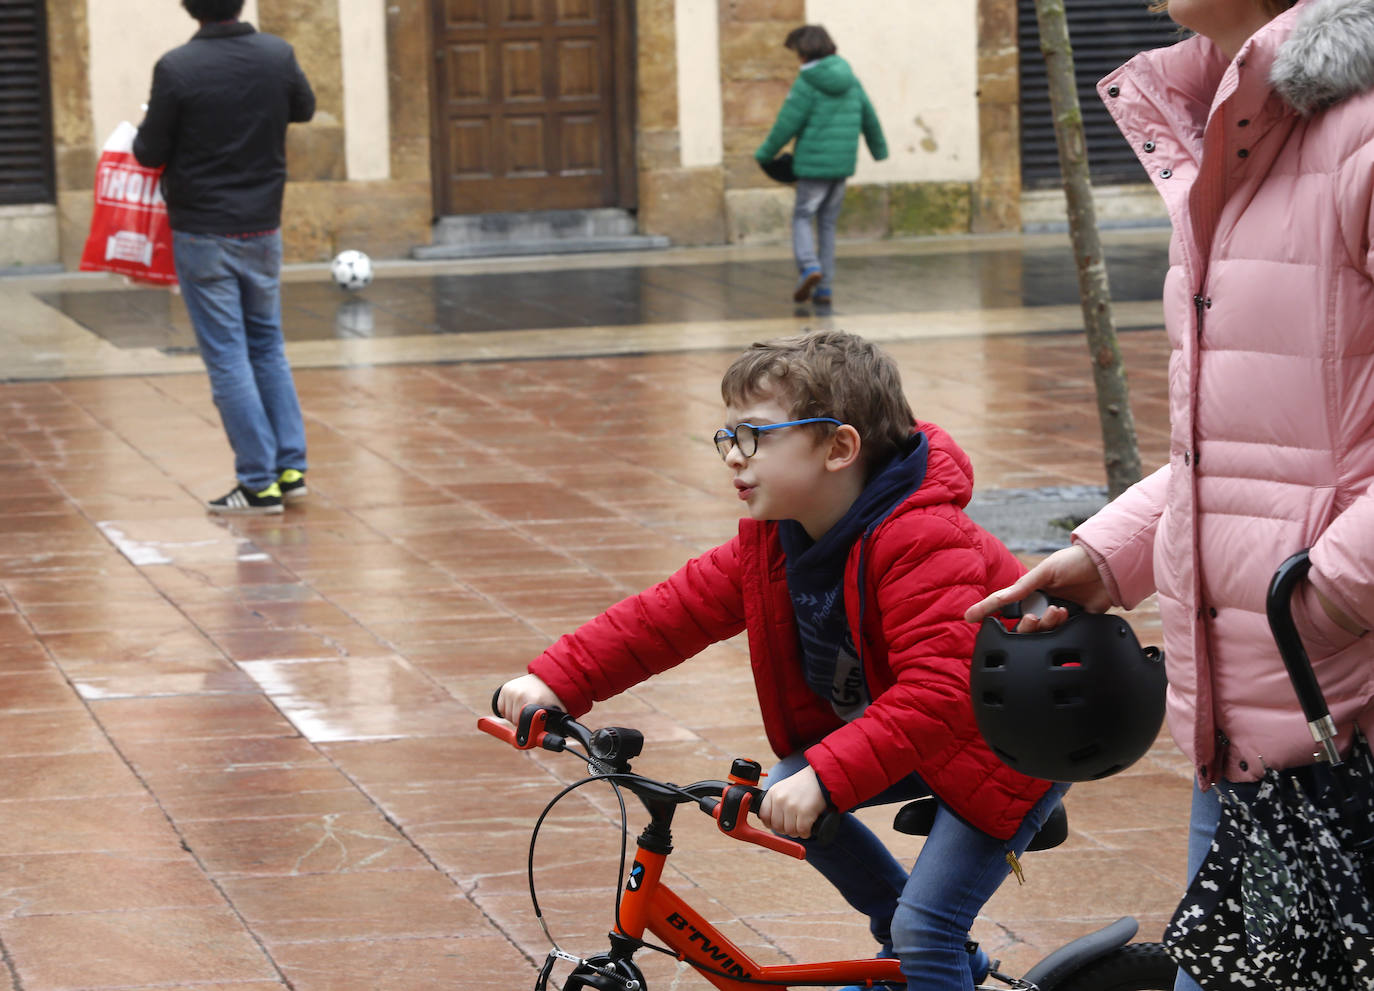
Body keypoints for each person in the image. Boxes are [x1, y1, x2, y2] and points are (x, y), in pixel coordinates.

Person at [963, 1, 1374, 988]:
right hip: (1254, 721)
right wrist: (1115, 552)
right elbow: (1258, 440)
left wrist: (1326, 595)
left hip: (1338, 714)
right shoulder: (1225, 111)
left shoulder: (1358, 128)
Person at [497, 331, 1067, 991]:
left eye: (757, 435)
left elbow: (944, 689)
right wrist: (555, 680)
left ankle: (921, 948)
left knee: (926, 925)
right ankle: (915, 962)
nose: (734, 457)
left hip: (1008, 740)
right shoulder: (776, 539)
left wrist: (826, 775)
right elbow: (669, 613)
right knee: (788, 797)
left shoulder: (923, 537)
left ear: (839, 447)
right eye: (728, 436)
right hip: (917, 729)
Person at [134, 0, 315, 515]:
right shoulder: (276, 54)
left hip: (203, 232)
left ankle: (258, 485)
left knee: (228, 356)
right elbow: (302, 108)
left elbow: (149, 152)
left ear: (190, 8)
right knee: (267, 345)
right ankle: (290, 469)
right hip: (263, 223)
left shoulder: (177, 67)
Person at [754, 26, 887, 310]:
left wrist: (765, 153)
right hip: (841, 166)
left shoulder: (807, 82)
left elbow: (787, 124)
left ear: (804, 52)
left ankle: (809, 266)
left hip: (813, 166)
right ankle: (824, 287)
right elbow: (869, 116)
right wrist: (879, 151)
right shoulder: (850, 79)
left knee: (803, 216)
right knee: (827, 224)